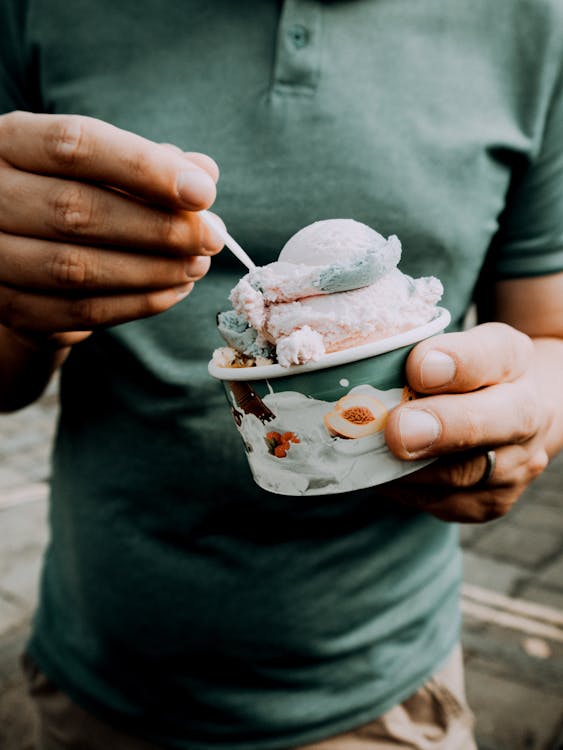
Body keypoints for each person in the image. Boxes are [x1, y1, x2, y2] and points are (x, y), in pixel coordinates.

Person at [1, 1, 562, 748]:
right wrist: (23, 308)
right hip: (95, 672)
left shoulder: (533, 21)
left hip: (384, 688)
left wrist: (529, 411)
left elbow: (548, 329)